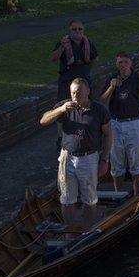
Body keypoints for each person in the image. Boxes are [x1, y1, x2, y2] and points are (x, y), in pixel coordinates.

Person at [39, 78, 111, 227]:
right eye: (72, 93)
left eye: (78, 92)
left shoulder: (99, 110)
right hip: (68, 157)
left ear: (88, 92)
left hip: (89, 157)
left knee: (90, 199)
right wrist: (61, 109)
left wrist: (104, 160)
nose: (75, 96)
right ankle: (69, 233)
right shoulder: (65, 107)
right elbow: (43, 120)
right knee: (66, 198)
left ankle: (88, 230)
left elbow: (108, 135)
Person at [99, 52, 139, 195]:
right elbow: (102, 101)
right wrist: (111, 87)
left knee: (136, 162)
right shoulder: (111, 78)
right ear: (116, 64)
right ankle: (118, 195)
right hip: (115, 123)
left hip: (134, 123)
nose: (123, 65)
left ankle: (136, 195)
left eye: (125, 62)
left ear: (130, 63)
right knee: (116, 162)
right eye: (120, 62)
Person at [51, 19, 98, 101]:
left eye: (80, 29)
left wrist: (87, 69)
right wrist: (62, 47)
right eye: (74, 29)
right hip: (67, 79)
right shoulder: (64, 42)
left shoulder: (87, 43)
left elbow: (95, 58)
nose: (77, 31)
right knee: (65, 103)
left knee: (87, 103)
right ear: (70, 31)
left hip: (84, 78)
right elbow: (54, 58)